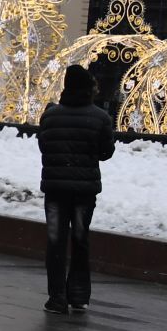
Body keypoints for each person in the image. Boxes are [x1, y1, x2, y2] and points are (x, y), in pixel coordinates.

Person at [36, 64, 115, 314]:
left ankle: (57, 297)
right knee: (80, 239)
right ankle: (78, 295)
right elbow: (106, 152)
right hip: (84, 192)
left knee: (55, 241)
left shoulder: (50, 115)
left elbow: (44, 147)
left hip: (55, 190)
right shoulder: (100, 117)